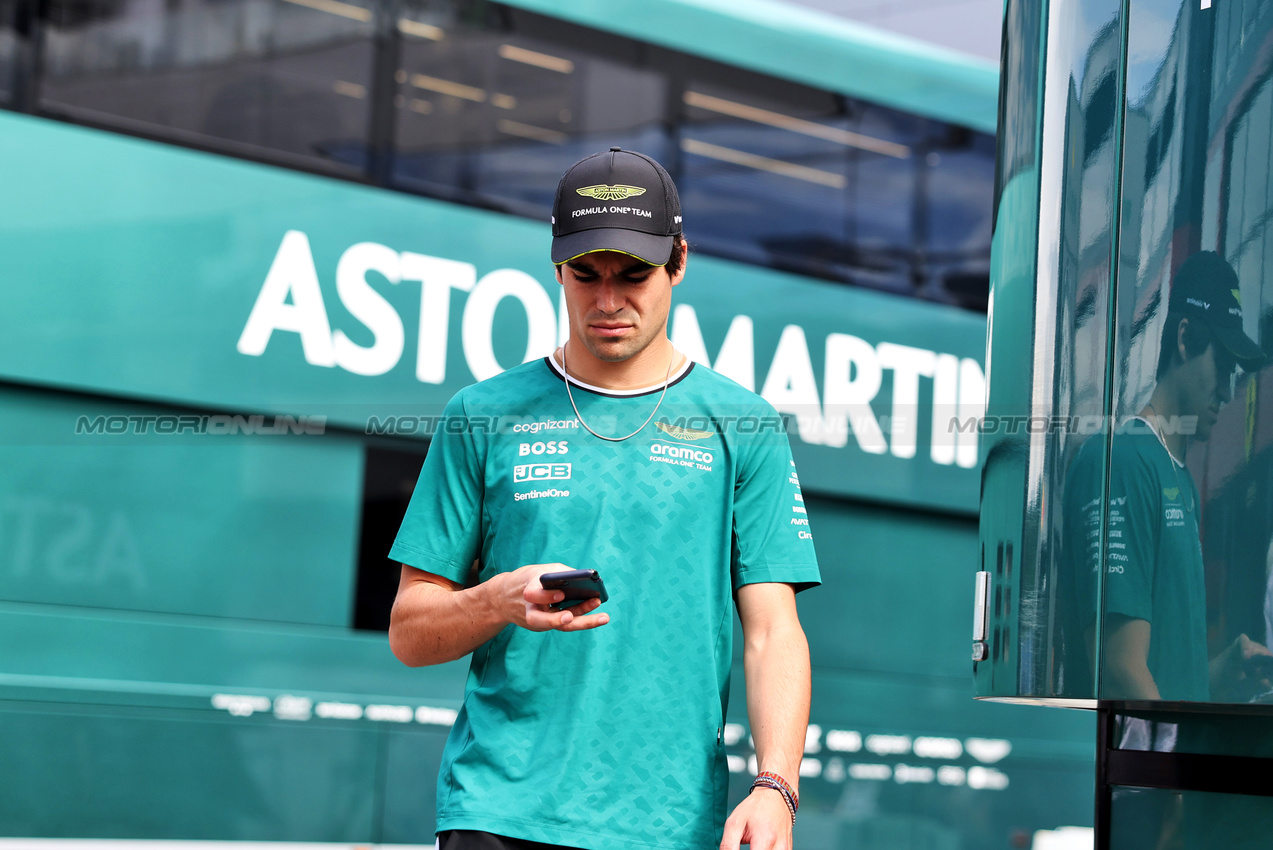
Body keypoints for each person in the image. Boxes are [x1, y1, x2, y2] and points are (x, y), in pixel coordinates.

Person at [387, 147, 821, 850]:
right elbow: (409, 631)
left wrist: (776, 787)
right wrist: (494, 601)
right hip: (499, 811)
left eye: (634, 275)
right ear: (557, 267)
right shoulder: (483, 414)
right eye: (585, 275)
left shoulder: (742, 423)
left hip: (670, 824)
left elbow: (772, 631)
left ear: (679, 261)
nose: (609, 301)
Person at [1065, 251, 1268, 701]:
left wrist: (1219, 672)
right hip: (1146, 770)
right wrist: (1181, 764)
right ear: (1184, 339)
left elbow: (1166, 679)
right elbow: (1120, 670)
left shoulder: (1175, 478)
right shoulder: (1121, 462)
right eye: (1224, 365)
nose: (1228, 390)